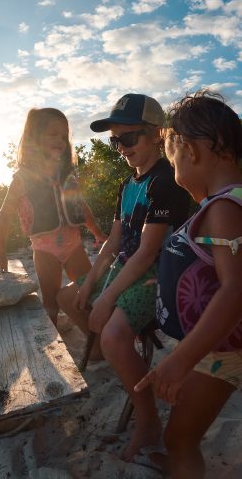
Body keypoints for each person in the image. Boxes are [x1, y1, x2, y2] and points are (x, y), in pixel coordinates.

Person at [56, 93, 190, 461]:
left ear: (156, 135)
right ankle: (103, 346)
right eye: (115, 140)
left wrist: (106, 297)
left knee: (115, 335)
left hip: (156, 277)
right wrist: (91, 281)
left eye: (128, 139)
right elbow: (113, 243)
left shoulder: (166, 181)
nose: (121, 148)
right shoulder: (127, 184)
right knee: (68, 296)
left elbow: (148, 252)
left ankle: (148, 423)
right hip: (125, 268)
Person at [135, 90, 242, 478]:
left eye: (172, 154)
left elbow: (235, 290)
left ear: (191, 151)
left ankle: (182, 462)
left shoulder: (225, 208)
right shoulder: (224, 203)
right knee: (181, 433)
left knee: (181, 438)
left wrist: (180, 361)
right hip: (213, 348)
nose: (173, 166)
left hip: (219, 354)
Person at [0, 107, 107, 327]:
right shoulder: (23, 178)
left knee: (89, 290)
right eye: (53, 134)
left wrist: (98, 233)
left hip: (74, 244)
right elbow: (4, 216)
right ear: (35, 138)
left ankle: (94, 335)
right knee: (51, 301)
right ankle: (54, 339)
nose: (60, 140)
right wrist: (0, 254)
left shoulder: (67, 175)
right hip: (45, 249)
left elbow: (80, 207)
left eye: (64, 136)